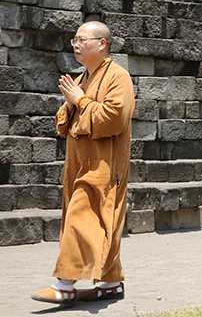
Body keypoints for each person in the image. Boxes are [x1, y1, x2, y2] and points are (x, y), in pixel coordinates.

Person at [32, 21, 135, 303]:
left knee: (82, 217)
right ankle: (111, 283)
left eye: (82, 39)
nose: (76, 45)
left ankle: (65, 285)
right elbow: (63, 122)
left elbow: (113, 119)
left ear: (102, 43)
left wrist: (82, 101)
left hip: (103, 166)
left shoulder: (118, 77)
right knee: (105, 223)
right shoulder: (81, 79)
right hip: (78, 163)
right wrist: (71, 102)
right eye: (74, 40)